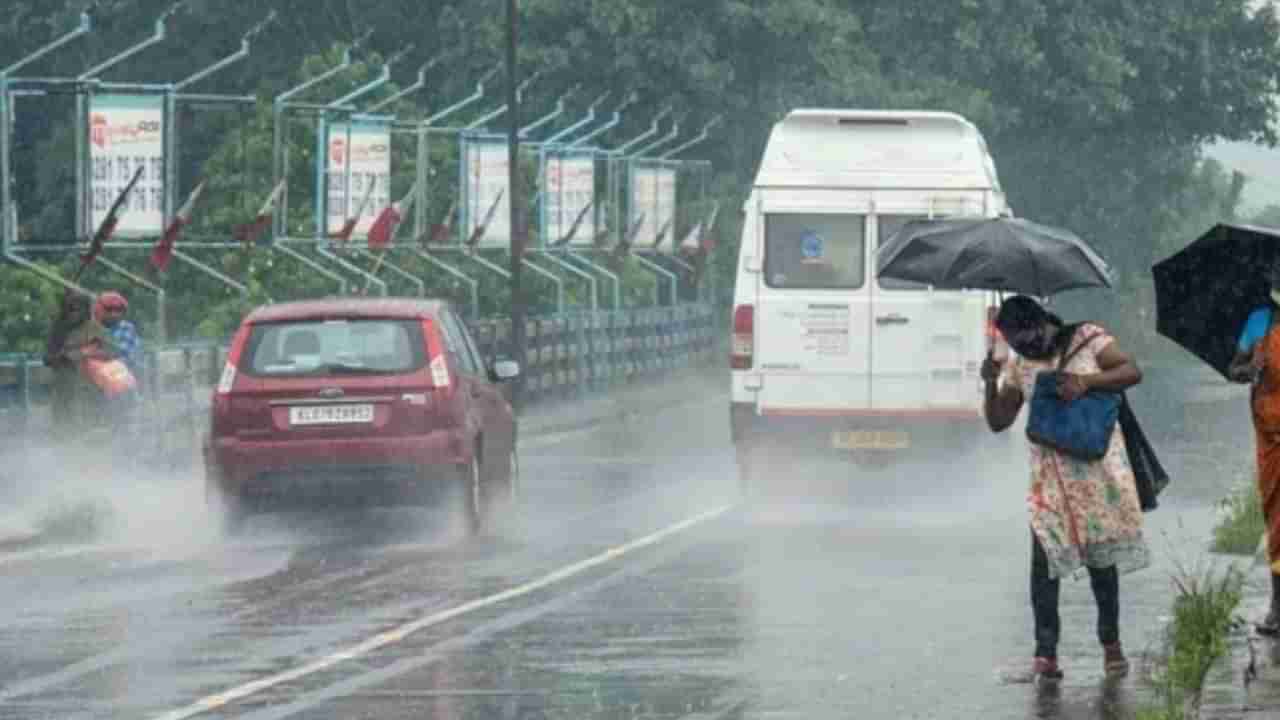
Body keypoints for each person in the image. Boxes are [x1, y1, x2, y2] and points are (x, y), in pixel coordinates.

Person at [980, 295, 1148, 682]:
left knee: (1101, 565)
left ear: (1043, 323)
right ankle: (1045, 655)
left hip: (1095, 475)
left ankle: (1111, 646)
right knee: (1043, 567)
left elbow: (1131, 371)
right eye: (1016, 343)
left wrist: (1086, 382)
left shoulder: (1089, 340)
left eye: (1029, 339)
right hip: (1048, 483)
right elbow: (999, 421)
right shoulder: (1021, 365)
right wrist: (990, 384)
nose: (1025, 348)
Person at [1228, 261, 1280, 635]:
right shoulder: (1258, 321)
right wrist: (1251, 368)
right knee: (1277, 518)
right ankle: (1278, 607)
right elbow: (1234, 368)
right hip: (1271, 434)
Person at [43, 292, 119, 437]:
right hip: (64, 393)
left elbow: (113, 352)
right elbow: (47, 358)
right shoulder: (59, 330)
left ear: (85, 310)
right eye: (68, 308)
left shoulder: (96, 329)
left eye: (76, 309)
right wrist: (64, 356)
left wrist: (87, 353)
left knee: (89, 435)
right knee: (64, 435)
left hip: (90, 394)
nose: (72, 312)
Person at [94, 291, 143, 381]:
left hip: (123, 377)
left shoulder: (126, 328)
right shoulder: (92, 328)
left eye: (118, 310)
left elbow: (124, 358)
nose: (114, 314)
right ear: (99, 310)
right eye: (109, 309)